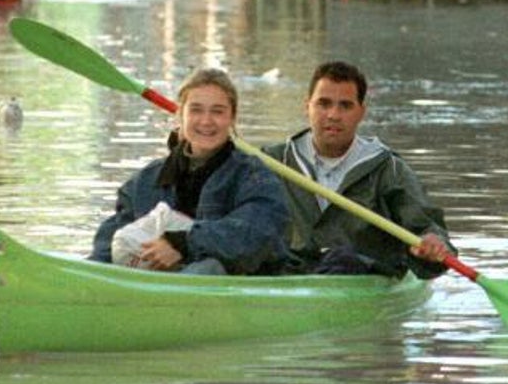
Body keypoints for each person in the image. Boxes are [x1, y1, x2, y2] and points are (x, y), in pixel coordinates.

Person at [264, 61, 454, 279]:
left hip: (357, 273)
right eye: (324, 104)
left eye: (345, 106)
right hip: (288, 275)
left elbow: (426, 226)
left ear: (361, 112)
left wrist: (432, 244)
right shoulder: (271, 162)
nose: (333, 115)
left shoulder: (388, 169)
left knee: (342, 261)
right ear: (307, 106)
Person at [89, 68, 289, 275]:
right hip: (155, 283)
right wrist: (96, 271)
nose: (206, 121)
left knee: (208, 268)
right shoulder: (145, 181)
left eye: (218, 111)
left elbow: (256, 232)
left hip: (227, 283)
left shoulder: (256, 178)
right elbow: (110, 238)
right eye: (196, 110)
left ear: (232, 118)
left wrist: (182, 243)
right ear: (180, 116)